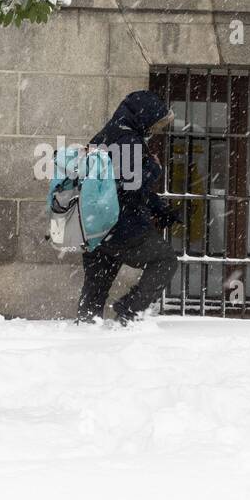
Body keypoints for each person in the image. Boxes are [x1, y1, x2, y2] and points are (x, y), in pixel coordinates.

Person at [76, 91, 182, 325]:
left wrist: (160, 209)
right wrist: (154, 168)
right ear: (144, 116)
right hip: (124, 226)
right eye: (156, 123)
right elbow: (132, 186)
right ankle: (129, 309)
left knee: (95, 289)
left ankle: (84, 331)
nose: (156, 130)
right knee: (165, 261)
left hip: (95, 228)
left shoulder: (101, 137)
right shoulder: (128, 140)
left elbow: (115, 184)